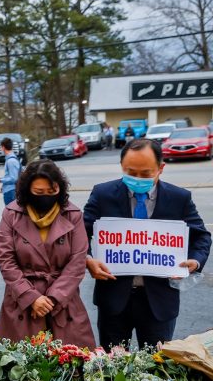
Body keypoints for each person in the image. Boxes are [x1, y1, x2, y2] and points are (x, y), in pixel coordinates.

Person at [84, 139, 211, 347]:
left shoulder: (179, 198)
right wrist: (88, 259)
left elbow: (202, 237)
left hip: (159, 303)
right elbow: (80, 234)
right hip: (114, 300)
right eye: (131, 172)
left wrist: (194, 262)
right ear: (122, 167)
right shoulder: (102, 194)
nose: (137, 179)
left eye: (145, 174)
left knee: (156, 367)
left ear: (161, 168)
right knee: (110, 366)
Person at [0, 160, 96, 347]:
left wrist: (53, 298)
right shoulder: (11, 214)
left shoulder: (72, 214)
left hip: (64, 302)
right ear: (27, 191)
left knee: (72, 366)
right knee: (21, 368)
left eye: (52, 192)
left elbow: (77, 261)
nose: (46, 197)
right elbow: (6, 260)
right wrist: (31, 297)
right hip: (22, 301)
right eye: (39, 193)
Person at [0, 137, 21, 205]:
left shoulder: (11, 161)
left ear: (3, 147)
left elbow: (13, 178)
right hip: (9, 190)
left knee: (10, 214)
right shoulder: (10, 159)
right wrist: (3, 184)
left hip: (11, 192)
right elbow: (10, 176)